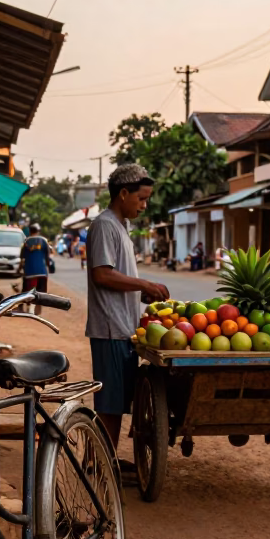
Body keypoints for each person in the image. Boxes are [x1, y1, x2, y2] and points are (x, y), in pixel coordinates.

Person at [86, 163, 169, 452]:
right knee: (109, 406)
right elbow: (102, 274)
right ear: (123, 193)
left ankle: (104, 463)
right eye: (141, 198)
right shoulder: (104, 225)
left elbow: (117, 276)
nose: (145, 205)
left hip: (123, 328)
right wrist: (143, 284)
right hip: (110, 329)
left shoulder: (122, 226)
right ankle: (98, 466)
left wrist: (140, 294)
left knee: (118, 403)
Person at [19, 222, 50, 312]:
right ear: (38, 231)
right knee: (41, 291)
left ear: (30, 231)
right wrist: (48, 267)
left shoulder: (26, 242)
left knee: (26, 290)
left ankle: (24, 306)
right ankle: (38, 309)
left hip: (29, 271)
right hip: (41, 271)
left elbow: (22, 258)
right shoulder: (44, 241)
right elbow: (47, 256)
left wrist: (19, 269)